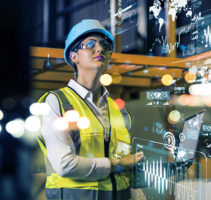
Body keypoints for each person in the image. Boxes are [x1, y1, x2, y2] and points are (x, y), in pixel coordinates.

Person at [37, 19, 144, 200]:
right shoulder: (56, 102)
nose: (100, 49)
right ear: (73, 56)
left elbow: (125, 165)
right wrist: (117, 164)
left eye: (104, 45)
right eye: (90, 44)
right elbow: (64, 165)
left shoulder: (116, 108)